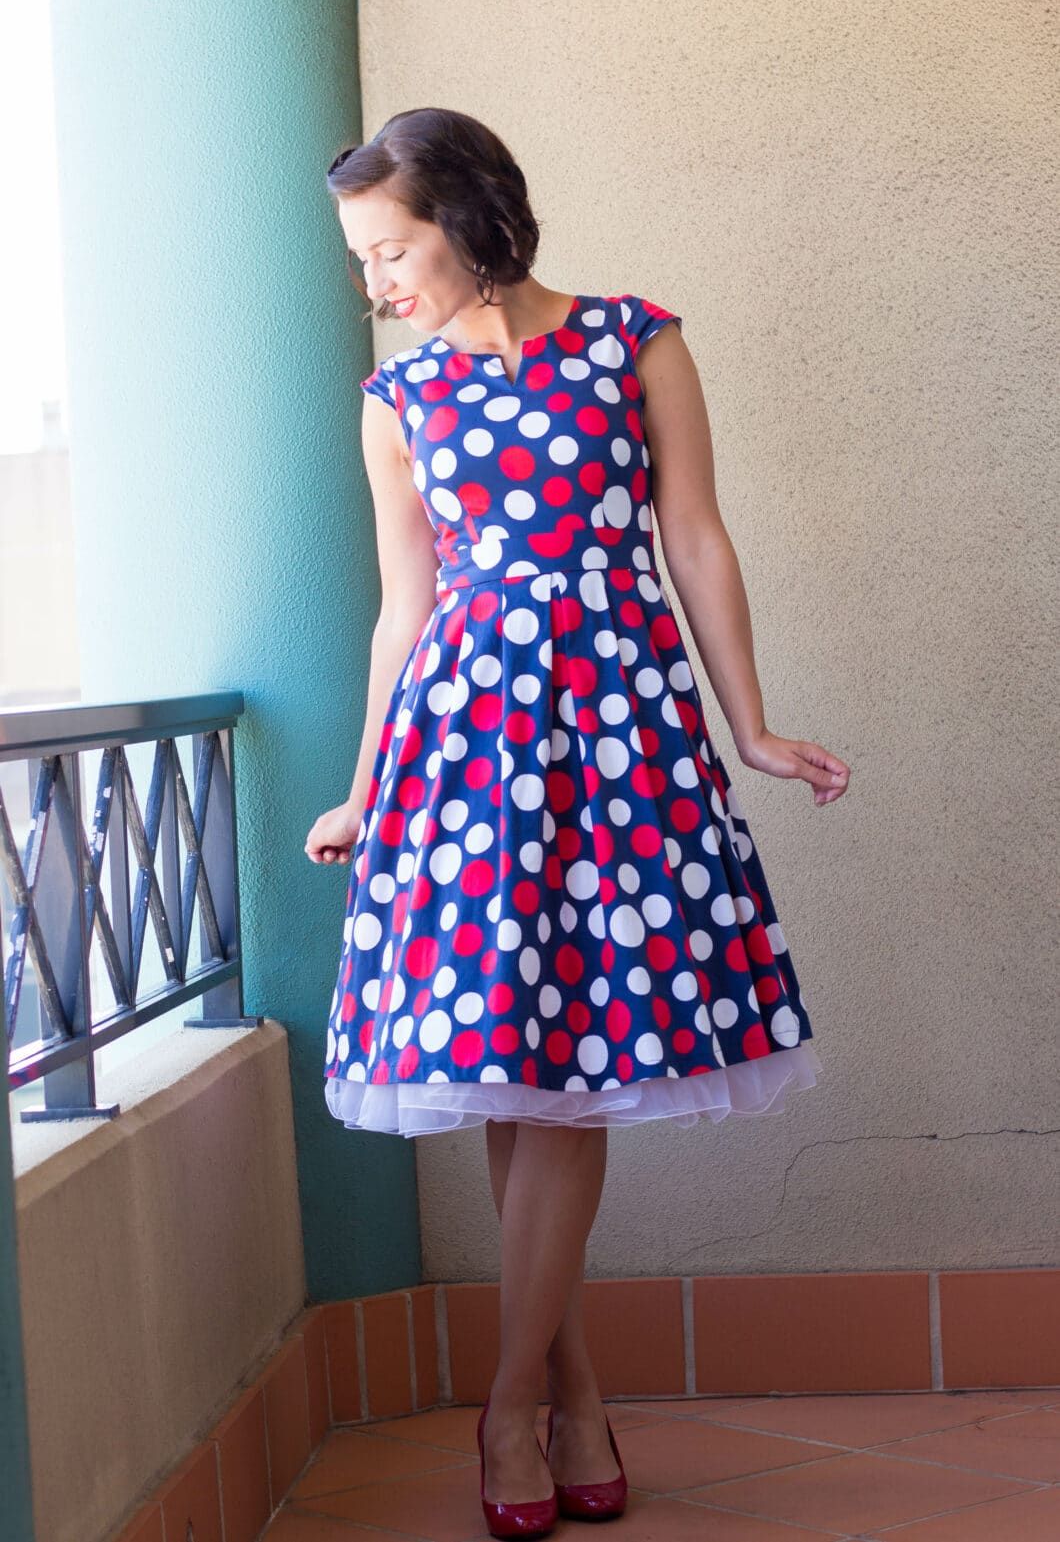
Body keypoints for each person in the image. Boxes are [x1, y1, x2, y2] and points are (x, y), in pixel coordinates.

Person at [306, 107, 850, 1539]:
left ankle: (508, 1404)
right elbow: (405, 605)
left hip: (619, 731)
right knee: (513, 1061)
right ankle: (573, 1391)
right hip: (463, 750)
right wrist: (367, 783)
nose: (379, 283)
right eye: (362, 260)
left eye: (392, 248)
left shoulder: (635, 337)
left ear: (471, 216)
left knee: (573, 1061)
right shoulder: (399, 400)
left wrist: (752, 722)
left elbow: (694, 535)